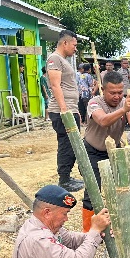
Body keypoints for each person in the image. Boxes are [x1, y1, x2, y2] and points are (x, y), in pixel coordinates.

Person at [80, 71, 130, 231]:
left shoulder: (125, 103)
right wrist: (124, 109)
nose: (117, 96)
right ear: (103, 90)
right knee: (92, 191)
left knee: (120, 188)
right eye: (112, 93)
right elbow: (103, 121)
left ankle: (117, 225)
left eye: (120, 92)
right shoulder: (94, 103)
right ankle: (88, 231)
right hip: (92, 151)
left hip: (114, 151)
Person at [47, 30, 85, 192]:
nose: (75, 49)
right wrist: (64, 109)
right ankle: (64, 179)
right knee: (67, 145)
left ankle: (67, 176)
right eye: (74, 45)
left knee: (72, 144)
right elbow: (55, 85)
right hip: (63, 111)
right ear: (65, 43)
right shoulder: (54, 59)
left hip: (70, 109)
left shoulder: (62, 60)